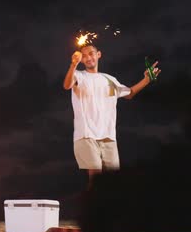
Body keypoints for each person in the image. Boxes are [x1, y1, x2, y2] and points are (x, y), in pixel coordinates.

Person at [63, 43, 161, 185]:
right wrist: (73, 64)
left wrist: (146, 80)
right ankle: (92, 207)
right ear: (81, 60)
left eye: (91, 53)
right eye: (84, 56)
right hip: (87, 135)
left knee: (112, 182)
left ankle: (108, 207)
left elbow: (129, 93)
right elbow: (67, 85)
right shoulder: (79, 75)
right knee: (95, 179)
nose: (88, 57)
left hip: (109, 136)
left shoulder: (109, 79)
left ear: (99, 55)